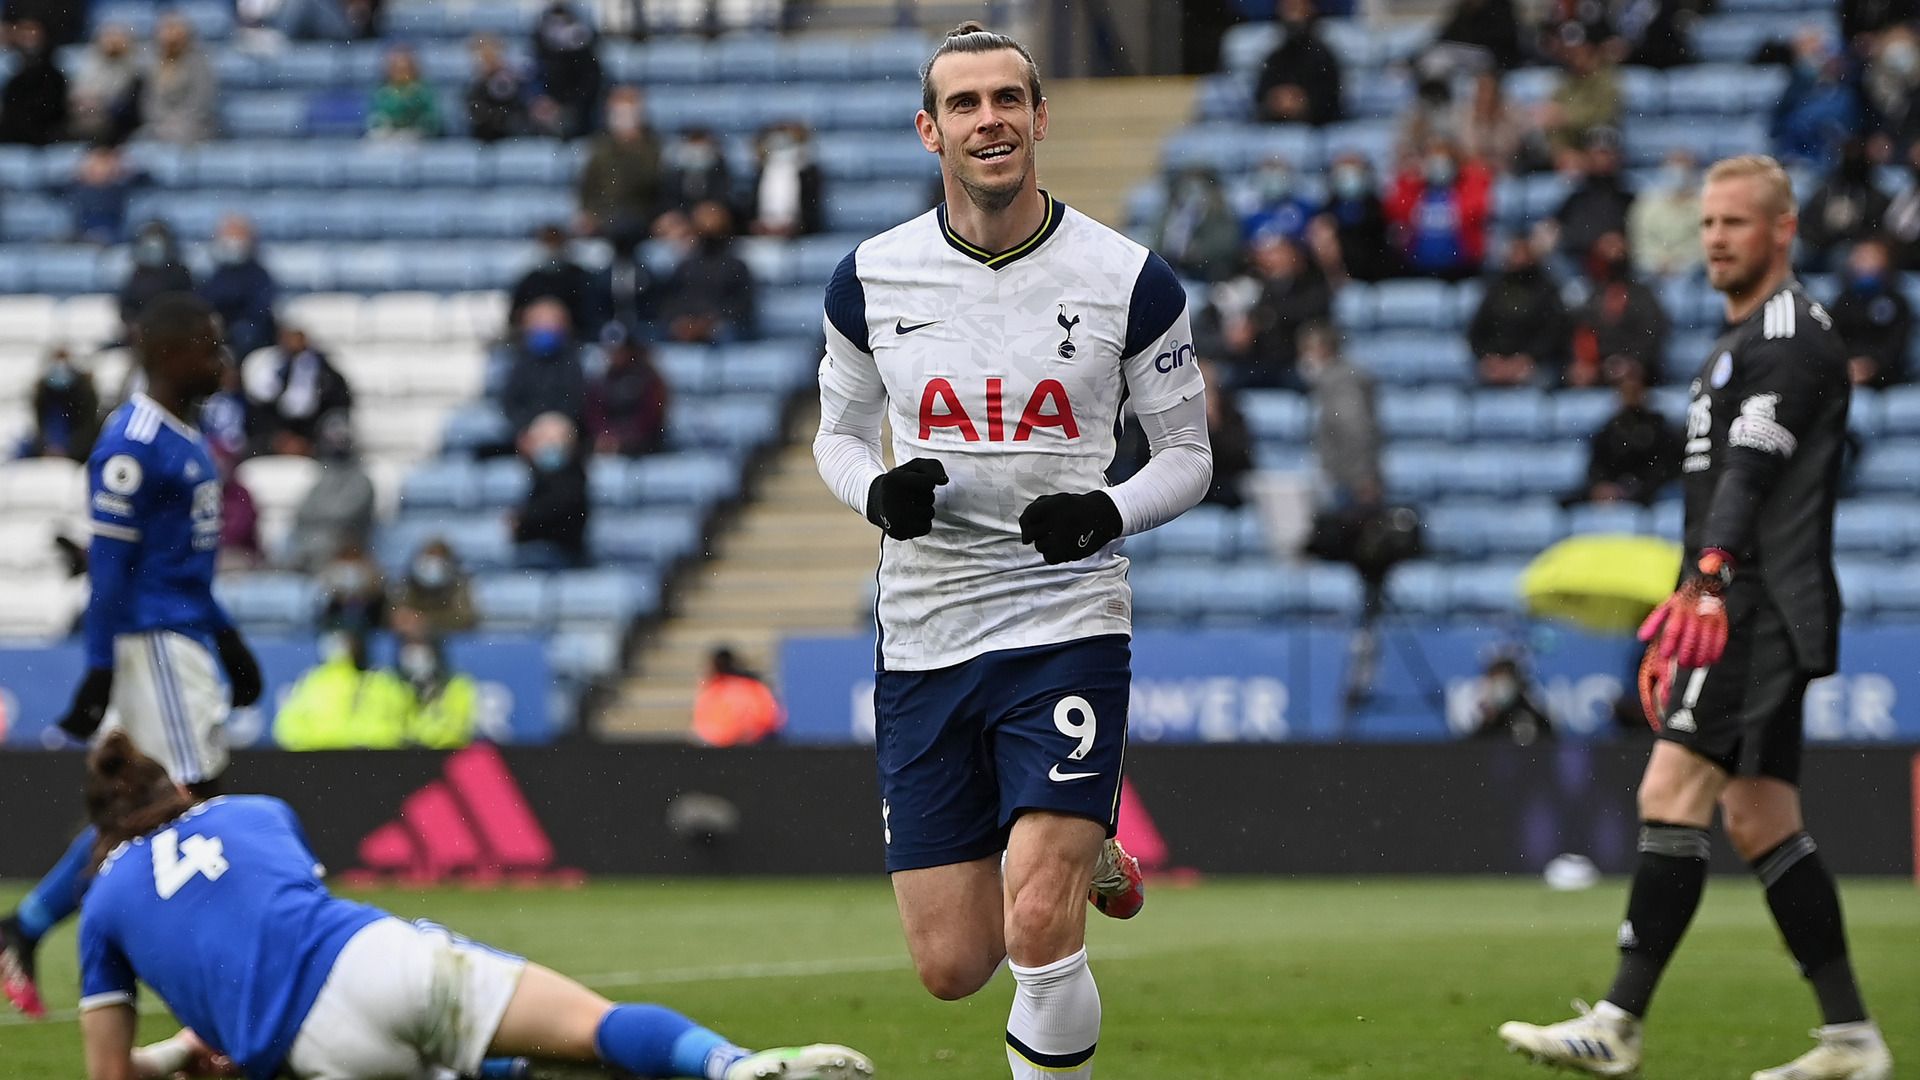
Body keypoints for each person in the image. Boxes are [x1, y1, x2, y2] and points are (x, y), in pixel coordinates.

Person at [812, 23, 1207, 1080]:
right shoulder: (869, 278)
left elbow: (1189, 456)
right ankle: (1087, 843)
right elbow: (837, 437)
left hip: (1065, 619)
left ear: (1040, 118)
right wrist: (875, 491)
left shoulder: (1129, 279)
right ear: (929, 130)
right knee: (953, 965)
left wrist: (1107, 514)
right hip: (927, 629)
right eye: (965, 104)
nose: (988, 121)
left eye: (1006, 100)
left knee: (1036, 919)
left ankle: (1065, 844)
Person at [1500, 155, 1893, 1080]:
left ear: (1783, 229)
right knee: (1760, 819)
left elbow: (1751, 470)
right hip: (1748, 599)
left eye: (1735, 222)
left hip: (1753, 602)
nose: (1715, 238)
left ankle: (1618, 1022)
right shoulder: (1742, 337)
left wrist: (1708, 578)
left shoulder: (1788, 335)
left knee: (1670, 791)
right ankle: (1851, 1037)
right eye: (1709, 222)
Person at [73, 731, 874, 1080]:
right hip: (372, 961)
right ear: (177, 790)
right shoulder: (252, 811)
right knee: (593, 1025)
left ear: (104, 832)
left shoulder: (103, 899)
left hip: (311, 1053)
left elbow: (111, 1072)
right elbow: (271, 927)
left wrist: (175, 1057)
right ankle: (730, 1066)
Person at [0, 294, 263, 1021]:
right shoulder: (134, 442)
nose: (221, 360)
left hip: (183, 635)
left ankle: (30, 926)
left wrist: (229, 640)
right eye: (209, 346)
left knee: (156, 808)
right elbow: (112, 571)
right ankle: (180, 966)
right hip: (154, 644)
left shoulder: (185, 438)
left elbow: (179, 568)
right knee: (186, 801)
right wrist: (97, 669)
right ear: (171, 354)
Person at [1562, 355, 1680, 506]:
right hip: (1617, 496)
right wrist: (1603, 486)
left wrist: (1638, 489)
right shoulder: (1609, 428)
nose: (1629, 389)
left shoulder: (1659, 427)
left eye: (1634, 382)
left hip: (1650, 497)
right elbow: (1597, 466)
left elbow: (1667, 467)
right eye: (1623, 384)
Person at [1223, 233, 1333, 389]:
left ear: (1296, 253)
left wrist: (1270, 317)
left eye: (1279, 252)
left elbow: (1306, 313)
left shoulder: (1314, 282)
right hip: (1262, 361)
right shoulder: (1263, 285)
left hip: (1295, 362)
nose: (1273, 259)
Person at [1569, 230, 1668, 387]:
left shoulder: (1642, 294)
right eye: (1606, 250)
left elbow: (1652, 334)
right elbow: (1584, 334)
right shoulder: (1594, 295)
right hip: (1600, 370)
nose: (1612, 254)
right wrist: (1587, 364)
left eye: (1617, 249)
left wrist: (1634, 362)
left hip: (1637, 371)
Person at [1299, 322, 1381, 507]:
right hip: (1339, 477)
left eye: (1307, 351)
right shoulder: (1328, 382)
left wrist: (1362, 477)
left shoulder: (1343, 384)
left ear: (1324, 350)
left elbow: (1356, 430)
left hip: (1348, 483)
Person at [1468, 235, 1569, 386]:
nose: (1516, 258)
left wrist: (1529, 358)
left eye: (1521, 253)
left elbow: (1553, 333)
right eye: (1514, 252)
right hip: (1496, 362)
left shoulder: (1546, 289)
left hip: (1536, 364)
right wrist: (1489, 358)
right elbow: (1477, 331)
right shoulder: (1496, 288)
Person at [1384, 139, 1491, 280]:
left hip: (1461, 267)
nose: (1439, 166)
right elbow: (1396, 210)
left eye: (1444, 161)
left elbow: (1476, 209)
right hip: (1417, 266)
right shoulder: (1416, 190)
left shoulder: (1465, 189)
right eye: (1434, 161)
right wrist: (1410, 177)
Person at [577, 85, 663, 248]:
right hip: (605, 220)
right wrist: (590, 215)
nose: (624, 119)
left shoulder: (654, 147)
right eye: (618, 113)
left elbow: (653, 184)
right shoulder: (599, 148)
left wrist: (632, 146)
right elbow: (587, 189)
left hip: (644, 220)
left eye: (629, 113)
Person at [659, 201, 758, 344]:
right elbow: (670, 303)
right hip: (687, 331)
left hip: (722, 332)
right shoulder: (685, 266)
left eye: (714, 234)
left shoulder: (736, 267)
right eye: (704, 234)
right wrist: (682, 322)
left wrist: (709, 323)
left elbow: (743, 306)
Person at [287, 414, 376, 571]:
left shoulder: (362, 481)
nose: (336, 443)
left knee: (321, 547)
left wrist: (318, 516)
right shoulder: (320, 475)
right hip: (310, 539)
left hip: (344, 546)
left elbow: (344, 516)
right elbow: (303, 513)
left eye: (341, 437)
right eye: (332, 438)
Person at [245, 327, 353, 455]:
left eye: (295, 337)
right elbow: (261, 403)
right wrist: (279, 436)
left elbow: (338, 400)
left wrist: (308, 440)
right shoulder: (273, 366)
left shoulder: (323, 369)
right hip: (280, 429)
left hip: (312, 429)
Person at [1829, 236, 1913, 387]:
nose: (1864, 262)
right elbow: (1834, 337)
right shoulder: (1844, 300)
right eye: (1860, 256)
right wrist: (1847, 364)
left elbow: (1896, 344)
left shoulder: (1897, 302)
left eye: (1870, 257)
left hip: (1887, 378)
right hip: (1847, 373)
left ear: (1885, 261)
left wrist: (1873, 365)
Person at [512, 412, 590, 569]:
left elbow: (559, 506)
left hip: (563, 556)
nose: (547, 446)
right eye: (541, 440)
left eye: (553, 441)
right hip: (530, 554)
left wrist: (523, 519)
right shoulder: (534, 475)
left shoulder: (574, 477)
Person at [1546, 131, 1635, 264]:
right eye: (1598, 153)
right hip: (1583, 262)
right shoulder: (1574, 194)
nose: (1602, 159)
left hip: (1622, 262)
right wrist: (1597, 244)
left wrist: (1620, 241)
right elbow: (1564, 230)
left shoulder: (1628, 193)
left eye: (1607, 153)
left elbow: (1639, 231)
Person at [198, 215, 279, 363]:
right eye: (229, 237)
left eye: (238, 237)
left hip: (249, 334)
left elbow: (259, 310)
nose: (233, 243)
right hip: (220, 328)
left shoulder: (259, 274)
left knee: (244, 333)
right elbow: (206, 302)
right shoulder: (217, 274)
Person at [500, 299, 588, 435]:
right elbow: (511, 403)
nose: (544, 329)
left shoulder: (574, 358)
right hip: (527, 429)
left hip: (563, 427)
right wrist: (528, 426)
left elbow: (577, 400)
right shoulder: (518, 360)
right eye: (539, 324)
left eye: (549, 324)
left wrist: (555, 422)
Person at [1799, 140, 1888, 271]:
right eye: (1848, 154)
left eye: (1856, 154)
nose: (1852, 160)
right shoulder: (1825, 192)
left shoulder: (1874, 197)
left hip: (1852, 249)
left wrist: (1852, 234)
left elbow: (1876, 232)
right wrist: (1824, 235)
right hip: (1818, 247)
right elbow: (1807, 224)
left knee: (1844, 255)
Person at [1309, 154, 1398, 282]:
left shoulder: (1376, 207)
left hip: (1375, 272)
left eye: (1353, 173)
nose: (1349, 178)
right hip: (1337, 274)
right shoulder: (1328, 208)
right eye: (1343, 174)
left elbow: (1379, 239)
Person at [1253, 0, 1343, 126]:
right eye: (1288, 9)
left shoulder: (1323, 56)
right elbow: (1261, 96)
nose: (1293, 17)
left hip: (1316, 127)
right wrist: (1275, 100)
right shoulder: (1275, 56)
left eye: (1297, 9)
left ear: (1311, 10)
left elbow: (1331, 100)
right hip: (1274, 127)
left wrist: (1303, 102)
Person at [585, 330, 670, 457]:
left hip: (642, 444)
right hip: (608, 442)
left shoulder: (648, 378)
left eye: (619, 350)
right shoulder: (602, 379)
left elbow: (651, 417)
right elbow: (594, 413)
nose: (614, 355)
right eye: (610, 351)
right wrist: (604, 435)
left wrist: (622, 438)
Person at [510, 225, 606, 337]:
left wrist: (562, 319)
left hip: (572, 338)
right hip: (532, 338)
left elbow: (590, 314)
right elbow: (516, 315)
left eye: (554, 243)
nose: (551, 248)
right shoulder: (532, 279)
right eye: (548, 242)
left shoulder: (578, 277)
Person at [139, 15, 219, 145]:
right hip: (158, 125)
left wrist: (177, 123)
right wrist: (161, 122)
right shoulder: (150, 65)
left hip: (193, 125)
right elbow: (148, 100)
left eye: (176, 36)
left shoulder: (200, 64)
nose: (171, 39)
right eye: (166, 34)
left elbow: (200, 102)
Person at [1154, 166, 1243, 282]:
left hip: (1207, 273)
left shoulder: (1220, 214)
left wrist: (1199, 251)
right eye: (1188, 184)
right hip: (1173, 270)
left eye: (1199, 185)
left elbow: (1226, 244)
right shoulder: (1171, 214)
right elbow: (1158, 242)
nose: (1193, 190)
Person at [529, 1, 602, 140]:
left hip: (577, 111)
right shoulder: (538, 47)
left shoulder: (583, 52)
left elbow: (590, 83)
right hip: (547, 108)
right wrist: (540, 100)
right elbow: (532, 76)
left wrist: (568, 105)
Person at [1628, 151, 1702, 278]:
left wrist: (1680, 263)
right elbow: (1640, 240)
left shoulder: (1703, 206)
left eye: (1685, 169)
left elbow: (1702, 244)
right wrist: (1656, 262)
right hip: (1650, 271)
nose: (1679, 174)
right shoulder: (1646, 204)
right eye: (1673, 168)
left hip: (1692, 272)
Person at [745, 121, 825, 238]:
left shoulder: (809, 173)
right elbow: (751, 209)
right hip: (763, 235)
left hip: (800, 236)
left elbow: (813, 212)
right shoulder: (760, 171)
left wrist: (796, 227)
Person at [692, 647, 785, 746]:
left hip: (750, 744)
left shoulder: (750, 686)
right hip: (731, 745)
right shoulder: (714, 688)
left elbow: (769, 718)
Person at [118, 222, 197, 339]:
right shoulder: (138, 273)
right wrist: (134, 324)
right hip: (142, 332)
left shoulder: (179, 272)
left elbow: (188, 304)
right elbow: (127, 305)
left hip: (174, 332)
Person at [67, 24, 142, 145]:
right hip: (82, 121)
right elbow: (75, 96)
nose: (113, 42)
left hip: (116, 128)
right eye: (109, 36)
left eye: (118, 37)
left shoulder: (135, 73)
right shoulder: (87, 67)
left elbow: (127, 104)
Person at [390, 538, 479, 640]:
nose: (432, 565)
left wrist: (425, 621)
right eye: (429, 557)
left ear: (448, 563)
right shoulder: (407, 582)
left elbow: (466, 619)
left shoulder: (459, 584)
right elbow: (394, 612)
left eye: (438, 559)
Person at [0, 20, 69, 146]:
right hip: (13, 136)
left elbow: (57, 110)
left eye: (33, 36)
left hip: (49, 135)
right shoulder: (11, 74)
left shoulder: (54, 77)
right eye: (24, 37)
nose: (29, 42)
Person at [27, 347, 102, 461]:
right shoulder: (44, 393)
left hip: (79, 452)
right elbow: (40, 426)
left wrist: (70, 451)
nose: (60, 368)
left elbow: (87, 427)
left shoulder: (84, 393)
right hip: (47, 450)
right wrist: (47, 447)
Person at [68, 143, 150, 247]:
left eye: (105, 164)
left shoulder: (122, 186)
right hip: (82, 236)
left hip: (116, 237)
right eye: (97, 164)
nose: (101, 169)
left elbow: (147, 179)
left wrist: (127, 170)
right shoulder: (76, 186)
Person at [367, 47, 441, 140]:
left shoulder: (423, 92)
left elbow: (431, 120)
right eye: (396, 68)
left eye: (405, 68)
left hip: (419, 141)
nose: (401, 73)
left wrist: (415, 132)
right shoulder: (381, 93)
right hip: (387, 140)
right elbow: (374, 117)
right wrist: (384, 130)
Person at [465, 34, 529, 143]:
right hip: (482, 136)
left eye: (493, 57)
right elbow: (475, 113)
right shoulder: (476, 86)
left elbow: (517, 110)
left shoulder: (511, 81)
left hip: (511, 136)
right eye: (486, 59)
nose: (490, 63)